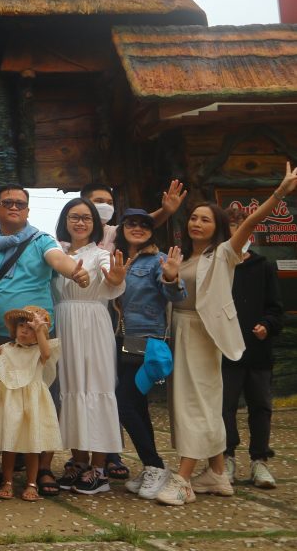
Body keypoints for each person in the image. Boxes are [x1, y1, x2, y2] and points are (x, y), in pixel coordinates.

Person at [155, 163, 296, 507]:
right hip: (181, 331)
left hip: (203, 335)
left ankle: (184, 479)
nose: (197, 223)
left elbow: (250, 222)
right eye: (193, 218)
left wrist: (280, 192)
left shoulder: (223, 254)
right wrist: (171, 276)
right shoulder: (182, 256)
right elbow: (174, 294)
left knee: (196, 404)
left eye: (205, 219)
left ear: (217, 227)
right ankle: (217, 472)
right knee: (195, 403)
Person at [0, 184, 89, 497]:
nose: (14, 207)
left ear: (28, 210)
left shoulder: (41, 240)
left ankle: (44, 469)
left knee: (43, 402)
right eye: (7, 202)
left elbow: (58, 260)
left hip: (39, 339)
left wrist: (74, 272)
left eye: (20, 203)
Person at [51, 198, 129, 495]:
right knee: (71, 389)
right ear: (65, 220)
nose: (80, 222)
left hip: (93, 323)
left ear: (95, 223)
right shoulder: (56, 253)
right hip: (64, 324)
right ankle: (79, 461)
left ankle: (99, 468)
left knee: (96, 387)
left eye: (86, 217)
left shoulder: (101, 254)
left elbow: (112, 282)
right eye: (74, 216)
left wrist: (117, 279)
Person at [112, 208, 186, 501]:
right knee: (137, 405)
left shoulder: (159, 260)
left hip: (144, 341)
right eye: (131, 223)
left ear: (152, 231)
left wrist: (171, 277)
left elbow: (177, 296)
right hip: (117, 340)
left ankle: (155, 465)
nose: (138, 228)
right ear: (122, 228)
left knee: (124, 404)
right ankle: (151, 466)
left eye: (145, 224)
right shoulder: (116, 257)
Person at [221, 207, 283, 489]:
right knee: (225, 407)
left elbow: (275, 308)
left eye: (243, 230)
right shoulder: (219, 267)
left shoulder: (264, 266)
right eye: (232, 231)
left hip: (258, 352)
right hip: (226, 350)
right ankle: (227, 458)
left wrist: (267, 325)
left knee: (261, 406)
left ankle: (260, 460)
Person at [0, 306, 62, 502]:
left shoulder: (39, 352)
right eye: (21, 326)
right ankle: (7, 481)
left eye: (31, 328)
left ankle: (32, 483)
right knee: (9, 444)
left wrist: (40, 330)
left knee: (31, 445)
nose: (25, 331)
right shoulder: (5, 350)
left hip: (32, 403)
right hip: (10, 402)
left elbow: (46, 353)